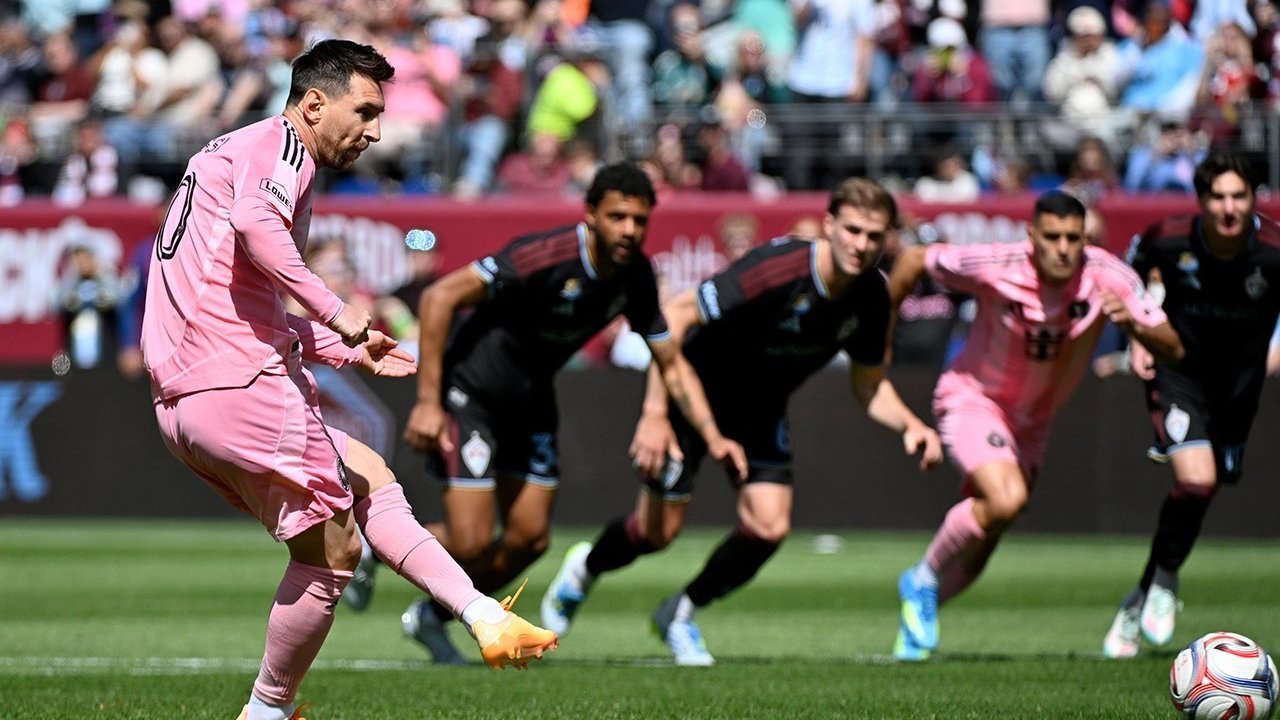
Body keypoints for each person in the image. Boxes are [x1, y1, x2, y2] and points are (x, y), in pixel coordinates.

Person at [140, 39, 557, 720]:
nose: (377, 131)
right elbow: (256, 228)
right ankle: (267, 712)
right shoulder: (281, 150)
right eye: (364, 111)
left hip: (186, 403)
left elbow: (235, 297)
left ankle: (482, 613)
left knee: (368, 476)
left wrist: (341, 347)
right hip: (237, 385)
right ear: (313, 103)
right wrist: (337, 309)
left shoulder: (226, 155)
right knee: (334, 551)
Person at [540, 177, 945, 666]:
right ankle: (584, 570)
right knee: (656, 534)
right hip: (692, 396)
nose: (861, 245)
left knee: (770, 527)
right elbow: (677, 314)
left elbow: (868, 382)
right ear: (830, 225)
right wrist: (654, 413)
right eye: (853, 230)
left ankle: (680, 613)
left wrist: (911, 425)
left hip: (761, 407)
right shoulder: (778, 268)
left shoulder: (872, 297)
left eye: (873, 236)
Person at [382, 162, 747, 665]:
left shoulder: (636, 275)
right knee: (467, 542)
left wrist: (711, 433)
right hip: (474, 394)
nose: (629, 230)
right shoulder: (544, 254)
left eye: (640, 220)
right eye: (618, 217)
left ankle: (431, 617)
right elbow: (440, 297)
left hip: (532, 403)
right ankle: (369, 537)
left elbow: (670, 361)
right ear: (591, 213)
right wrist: (427, 401)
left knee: (529, 540)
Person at [888, 190, 1184, 662]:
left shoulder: (1107, 275)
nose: (1064, 248)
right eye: (1052, 237)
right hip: (973, 398)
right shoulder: (996, 262)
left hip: (1035, 422)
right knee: (1005, 499)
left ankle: (921, 612)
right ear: (1032, 237)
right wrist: (879, 339)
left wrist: (1135, 324)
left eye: (1073, 238)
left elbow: (1173, 344)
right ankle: (920, 579)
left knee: (987, 535)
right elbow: (914, 259)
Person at [1102, 151, 1280, 659]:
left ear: (1253, 199)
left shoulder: (1273, 250)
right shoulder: (1169, 237)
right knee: (1195, 480)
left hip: (1239, 390)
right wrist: (1139, 332)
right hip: (1178, 373)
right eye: (1218, 196)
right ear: (1202, 201)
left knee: (1202, 493)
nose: (1228, 207)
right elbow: (1128, 277)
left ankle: (1143, 593)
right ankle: (1162, 583)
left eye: (1238, 196)